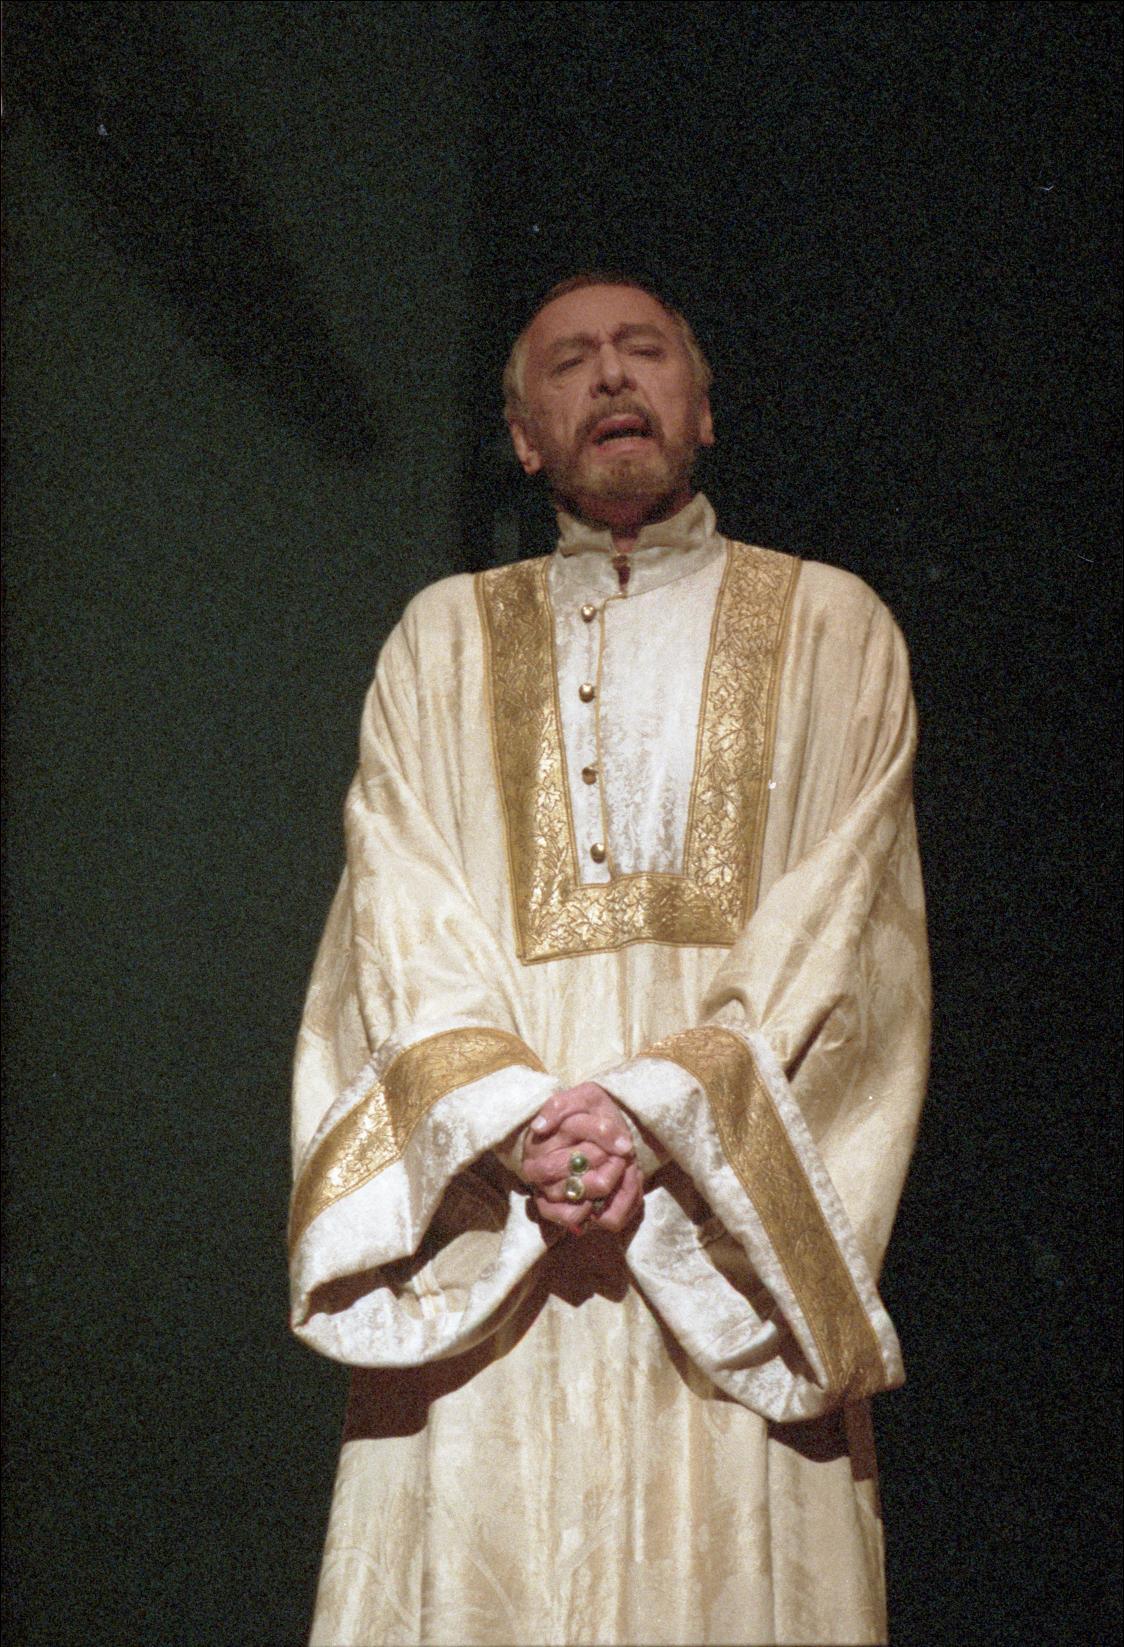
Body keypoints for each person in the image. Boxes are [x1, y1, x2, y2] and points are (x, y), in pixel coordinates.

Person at [289, 273, 930, 1647]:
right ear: (525, 439)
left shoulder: (834, 629)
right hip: (493, 1246)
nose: (614, 377)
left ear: (705, 409)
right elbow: (399, 909)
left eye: (645, 352)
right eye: (571, 362)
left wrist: (653, 1116)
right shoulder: (440, 642)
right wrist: (524, 1125)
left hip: (724, 1254)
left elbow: (845, 932)